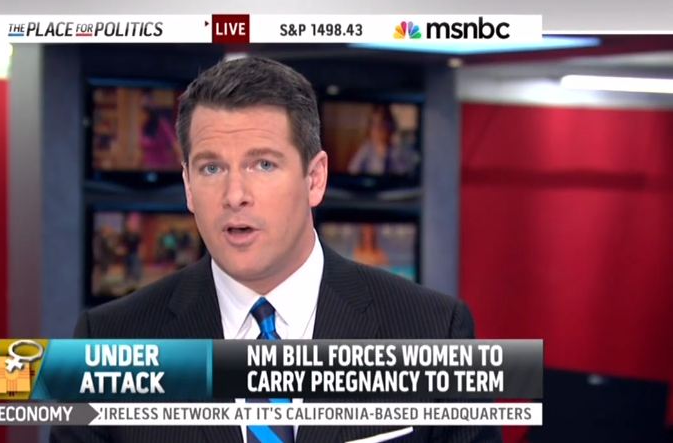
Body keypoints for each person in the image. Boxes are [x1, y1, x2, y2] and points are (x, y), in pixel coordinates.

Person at [51, 57, 500, 443]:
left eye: (263, 164)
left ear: (314, 179)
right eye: (211, 168)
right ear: (187, 186)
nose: (235, 195)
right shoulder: (108, 342)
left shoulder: (432, 330)